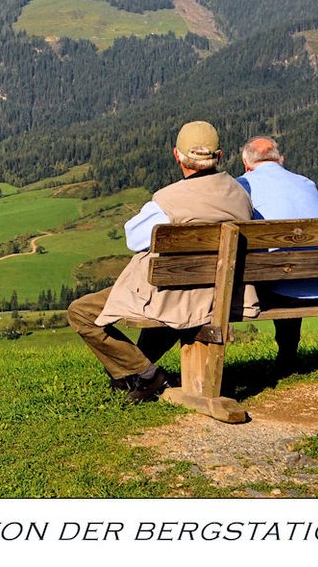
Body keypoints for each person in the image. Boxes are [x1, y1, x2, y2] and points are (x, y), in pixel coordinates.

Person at [67, 121, 257, 402]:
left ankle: (146, 374)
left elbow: (134, 238)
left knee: (81, 313)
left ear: (177, 155)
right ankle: (139, 371)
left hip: (176, 295)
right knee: (168, 297)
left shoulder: (169, 200)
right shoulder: (241, 195)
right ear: (220, 156)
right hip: (222, 295)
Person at [236, 136, 318, 370]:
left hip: (278, 283)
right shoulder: (306, 183)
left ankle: (287, 354)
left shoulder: (242, 185)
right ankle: (287, 353)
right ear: (281, 159)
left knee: (277, 267)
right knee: (293, 263)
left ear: (246, 162)